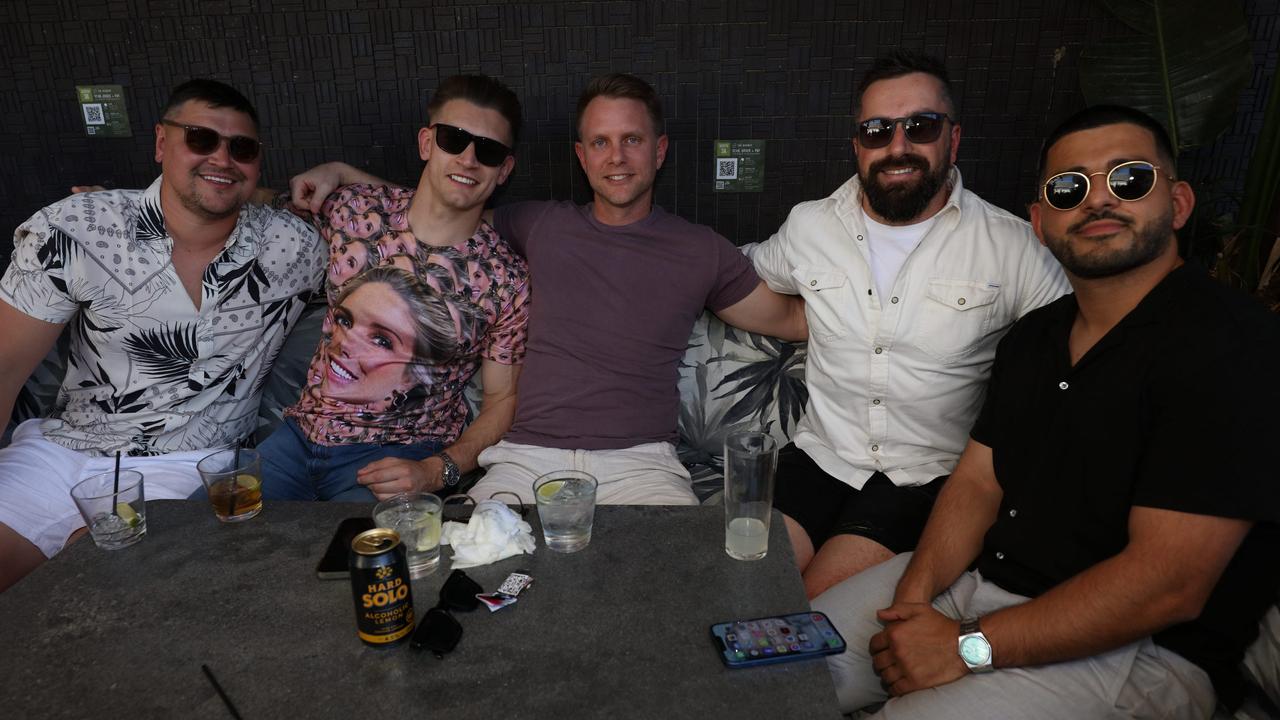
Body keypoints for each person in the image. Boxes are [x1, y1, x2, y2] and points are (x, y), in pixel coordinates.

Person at [812, 104, 1280, 719]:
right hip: (976, 586)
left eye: (1128, 179)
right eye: (1069, 188)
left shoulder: (1231, 345)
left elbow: (1168, 583)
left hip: (1135, 650)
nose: (1097, 202)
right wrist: (915, 600)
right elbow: (979, 481)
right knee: (773, 667)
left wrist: (966, 648)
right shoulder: (1033, 338)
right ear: (1040, 220)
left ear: (1179, 202)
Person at [292, 73, 807, 505]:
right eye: (601, 142)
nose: (617, 157)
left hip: (642, 466)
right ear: (581, 157)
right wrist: (344, 177)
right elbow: (444, 203)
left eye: (632, 139)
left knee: (675, 592)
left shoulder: (701, 250)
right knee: (466, 579)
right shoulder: (540, 225)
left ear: (660, 150)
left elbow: (789, 320)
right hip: (523, 461)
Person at [749, 50, 1070, 598]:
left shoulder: (1014, 247)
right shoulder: (810, 226)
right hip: (820, 456)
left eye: (920, 126)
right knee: (743, 585)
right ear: (857, 145)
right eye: (877, 130)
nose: (897, 146)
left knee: (812, 611)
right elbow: (738, 272)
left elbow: (1080, 348)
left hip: (926, 478)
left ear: (954, 138)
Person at [0, 79, 325, 592]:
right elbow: (5, 369)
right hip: (62, 452)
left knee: (105, 583)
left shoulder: (294, 247)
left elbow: (409, 230)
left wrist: (340, 174)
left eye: (241, 148)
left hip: (188, 467)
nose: (221, 157)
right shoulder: (76, 230)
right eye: (200, 139)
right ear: (159, 143)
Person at [257, 74, 531, 502]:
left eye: (489, 150)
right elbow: (265, 202)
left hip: (397, 459)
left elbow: (502, 400)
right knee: (202, 544)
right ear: (426, 143)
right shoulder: (354, 209)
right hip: (292, 440)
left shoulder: (505, 280)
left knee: (372, 567)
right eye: (453, 139)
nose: (469, 158)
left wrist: (437, 471)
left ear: (504, 170)